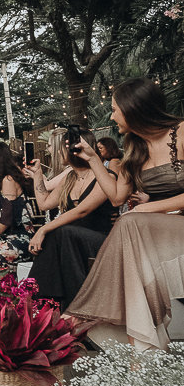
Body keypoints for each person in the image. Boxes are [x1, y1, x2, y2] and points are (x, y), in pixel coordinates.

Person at [67, 78, 184, 351]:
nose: (111, 116)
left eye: (114, 108)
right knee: (132, 229)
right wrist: (93, 159)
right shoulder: (135, 148)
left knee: (131, 222)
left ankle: (81, 312)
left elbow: (137, 210)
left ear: (134, 108)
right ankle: (141, 351)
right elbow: (118, 197)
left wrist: (147, 208)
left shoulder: (181, 133)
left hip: (174, 228)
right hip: (153, 234)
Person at [26, 130, 112, 308]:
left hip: (101, 240)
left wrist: (43, 229)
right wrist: (37, 174)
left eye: (62, 149)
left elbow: (82, 211)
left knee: (60, 232)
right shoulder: (70, 178)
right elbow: (44, 203)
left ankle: (44, 300)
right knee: (61, 235)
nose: (58, 153)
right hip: (70, 243)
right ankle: (41, 301)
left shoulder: (105, 176)